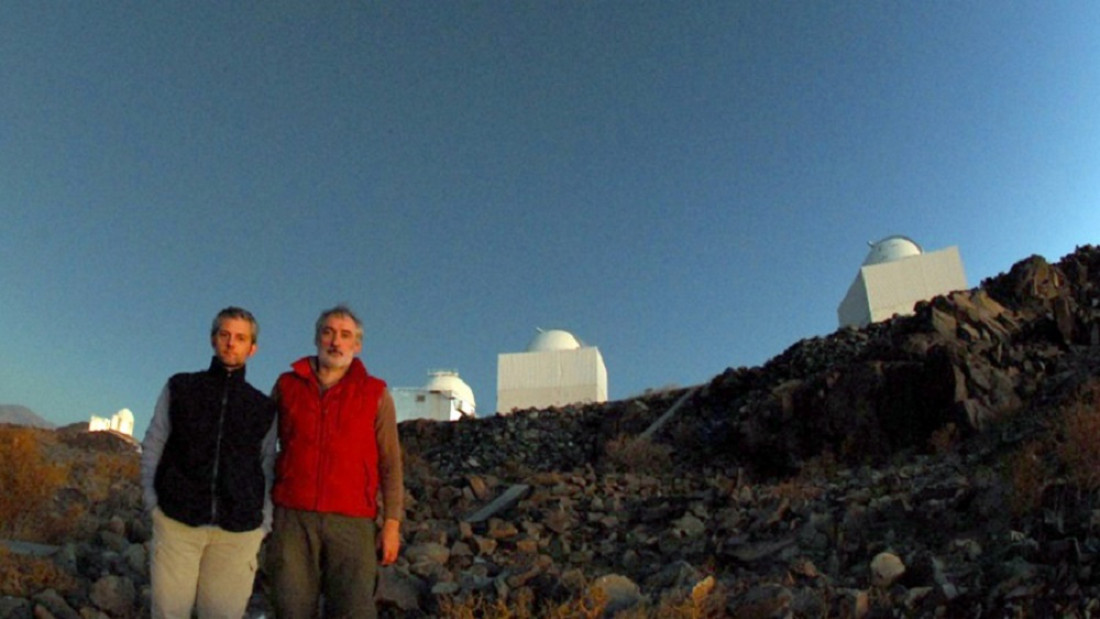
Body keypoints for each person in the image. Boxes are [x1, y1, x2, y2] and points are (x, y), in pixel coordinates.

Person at [267, 304, 405, 618]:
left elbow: (390, 463)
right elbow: (263, 447)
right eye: (328, 333)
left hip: (352, 522)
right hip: (292, 518)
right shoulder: (287, 385)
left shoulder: (375, 393)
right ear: (316, 338)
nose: (336, 342)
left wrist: (392, 525)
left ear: (357, 346)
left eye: (345, 336)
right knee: (290, 607)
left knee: (353, 610)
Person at [140, 307, 278, 619]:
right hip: (178, 524)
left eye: (241, 338)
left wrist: (263, 523)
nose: (231, 343)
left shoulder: (262, 407)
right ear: (213, 339)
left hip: (238, 534)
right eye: (225, 334)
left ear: (252, 348)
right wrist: (153, 503)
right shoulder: (181, 387)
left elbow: (267, 465)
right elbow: (154, 442)